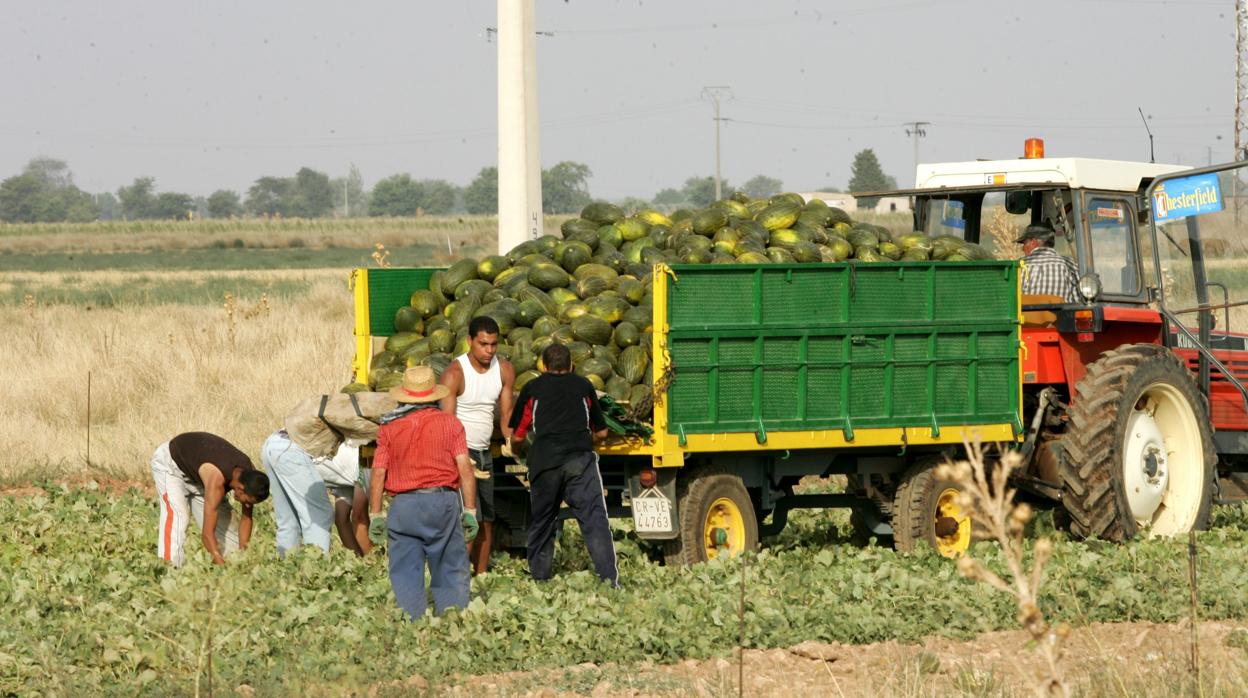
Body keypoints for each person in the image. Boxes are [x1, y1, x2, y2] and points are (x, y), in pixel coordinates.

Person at [368, 366, 479, 619]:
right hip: (442, 502)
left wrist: (375, 514)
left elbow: (378, 473)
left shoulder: (389, 429)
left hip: (404, 506)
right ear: (434, 395)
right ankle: (452, 618)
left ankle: (412, 620)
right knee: (450, 565)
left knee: (405, 568)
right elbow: (465, 468)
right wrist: (470, 510)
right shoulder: (451, 424)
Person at [508, 343, 618, 586]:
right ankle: (610, 580)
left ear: (544, 367)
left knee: (543, 521)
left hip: (545, 463)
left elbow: (517, 435)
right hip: (579, 461)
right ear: (572, 365)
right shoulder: (583, 386)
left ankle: (540, 578)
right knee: (594, 520)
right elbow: (601, 433)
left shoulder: (532, 388)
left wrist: (517, 451)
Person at [270, 392, 396, 557]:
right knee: (320, 516)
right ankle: (316, 569)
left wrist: (359, 560)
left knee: (288, 521)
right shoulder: (370, 462)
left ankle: (285, 564)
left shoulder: (346, 478)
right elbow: (359, 518)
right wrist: (373, 560)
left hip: (275, 443)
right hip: (294, 449)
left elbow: (342, 519)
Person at [439, 316, 515, 575]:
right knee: (468, 521)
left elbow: (506, 418)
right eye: (483, 344)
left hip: (484, 455)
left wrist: (511, 441)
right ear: (469, 341)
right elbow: (447, 425)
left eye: (493, 345)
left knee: (487, 521)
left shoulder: (504, 369)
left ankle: (480, 575)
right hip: (461, 454)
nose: (489, 351)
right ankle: (457, 578)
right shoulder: (454, 373)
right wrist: (461, 459)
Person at [150, 431, 270, 567]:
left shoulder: (251, 478)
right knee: (179, 516)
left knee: (232, 545)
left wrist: (243, 556)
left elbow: (247, 518)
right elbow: (207, 534)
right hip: (171, 465)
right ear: (240, 489)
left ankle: (236, 568)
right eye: (246, 501)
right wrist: (221, 567)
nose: (247, 505)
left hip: (199, 477)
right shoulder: (216, 482)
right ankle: (169, 569)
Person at [1018, 221, 1080, 302]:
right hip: (1061, 314)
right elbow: (1078, 300)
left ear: (1033, 243)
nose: (1023, 248)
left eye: (1025, 243)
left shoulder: (1019, 267)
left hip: (1028, 315)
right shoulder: (1071, 266)